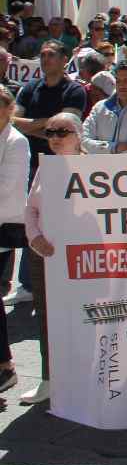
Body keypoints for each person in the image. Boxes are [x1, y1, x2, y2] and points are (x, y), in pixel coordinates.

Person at [18, 111, 85, 404]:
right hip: (44, 254)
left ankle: (82, 379)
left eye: (63, 132)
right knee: (47, 317)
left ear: (78, 136)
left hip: (80, 260)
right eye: (51, 132)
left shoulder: (95, 170)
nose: (55, 138)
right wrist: (35, 238)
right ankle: (49, 378)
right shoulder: (45, 167)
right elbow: (30, 208)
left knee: (81, 316)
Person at [0, 86, 30, 392]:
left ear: (9, 110)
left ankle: (5, 365)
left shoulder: (16, 142)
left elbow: (7, 189)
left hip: (3, 228)